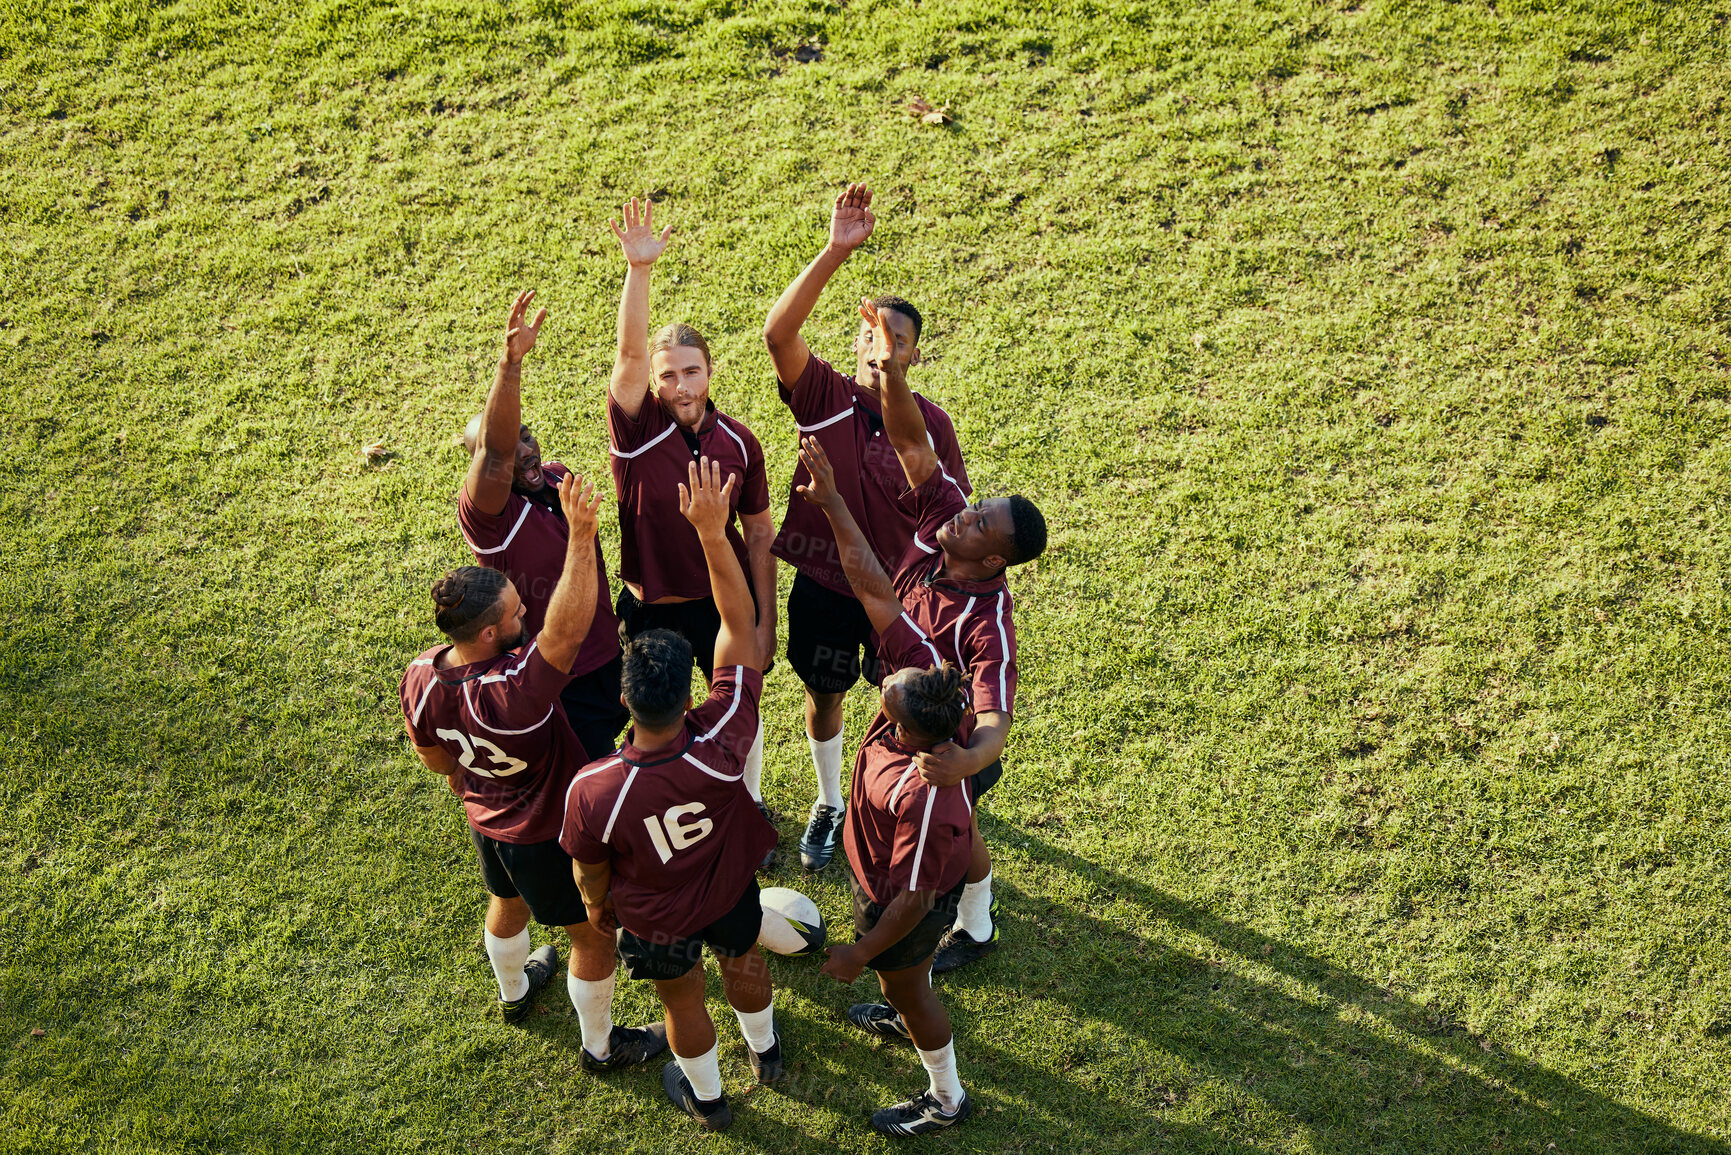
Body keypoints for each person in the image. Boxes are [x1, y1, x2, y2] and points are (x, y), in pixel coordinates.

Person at [398, 471, 667, 1074]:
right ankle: (601, 1048)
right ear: (490, 632)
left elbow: (435, 759)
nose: (530, 615)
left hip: (486, 818)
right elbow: (567, 631)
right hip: (546, 832)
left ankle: (515, 993)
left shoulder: (420, 676)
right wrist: (580, 536)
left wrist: (474, 792)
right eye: (520, 612)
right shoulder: (517, 691)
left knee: (506, 901)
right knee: (592, 937)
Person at [560, 458, 782, 1132]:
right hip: (728, 889)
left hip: (656, 915)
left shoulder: (594, 788)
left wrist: (597, 906)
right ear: (687, 695)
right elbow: (739, 629)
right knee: (742, 958)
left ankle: (708, 1099)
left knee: (682, 1001)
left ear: (625, 698)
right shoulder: (722, 735)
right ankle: (765, 1052)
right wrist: (715, 536)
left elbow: (588, 868)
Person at [761, 182, 972, 874]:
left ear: (913, 354)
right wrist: (834, 250)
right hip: (824, 585)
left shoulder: (930, 426)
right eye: (868, 332)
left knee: (903, 713)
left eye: (895, 339)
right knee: (823, 697)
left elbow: (950, 520)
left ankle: (895, 807)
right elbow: (777, 334)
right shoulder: (823, 395)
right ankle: (829, 800)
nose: (878, 346)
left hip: (900, 604)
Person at [793, 436, 977, 1136]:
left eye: (885, 697)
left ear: (905, 731)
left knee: (910, 980)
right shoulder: (919, 685)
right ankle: (901, 1003)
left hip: (900, 905)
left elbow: (916, 897)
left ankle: (947, 1098)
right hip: (879, 879)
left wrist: (860, 952)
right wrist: (835, 502)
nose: (881, 682)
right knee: (902, 979)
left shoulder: (926, 792)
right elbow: (870, 582)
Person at [604, 196, 779, 865]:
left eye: (691, 370)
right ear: (652, 380)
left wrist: (763, 621)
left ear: (711, 372)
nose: (680, 384)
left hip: (721, 601)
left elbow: (759, 534)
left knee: (740, 706)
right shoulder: (635, 430)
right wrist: (639, 271)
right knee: (650, 713)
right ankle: (658, 809)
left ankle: (748, 801)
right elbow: (625, 350)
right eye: (667, 374)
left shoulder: (740, 441)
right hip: (647, 607)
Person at [459, 290, 630, 762]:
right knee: (590, 777)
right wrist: (510, 366)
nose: (525, 449)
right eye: (510, 447)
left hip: (610, 655)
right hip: (561, 677)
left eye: (527, 434)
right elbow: (495, 449)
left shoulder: (556, 477)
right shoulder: (490, 520)